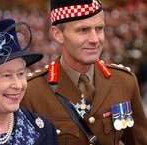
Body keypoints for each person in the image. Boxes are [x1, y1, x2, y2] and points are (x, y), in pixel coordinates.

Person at [21, 0, 147, 145]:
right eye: (83, 30)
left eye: (99, 29)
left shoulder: (124, 82)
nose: (95, 39)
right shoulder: (31, 92)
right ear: (58, 34)